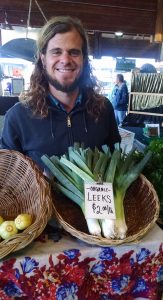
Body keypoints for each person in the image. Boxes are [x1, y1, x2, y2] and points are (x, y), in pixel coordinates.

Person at [0, 16, 121, 171]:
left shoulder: (104, 109)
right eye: (56, 52)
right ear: (43, 59)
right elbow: (8, 177)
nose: (65, 59)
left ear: (84, 59)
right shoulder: (18, 116)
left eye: (74, 52)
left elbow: (115, 164)